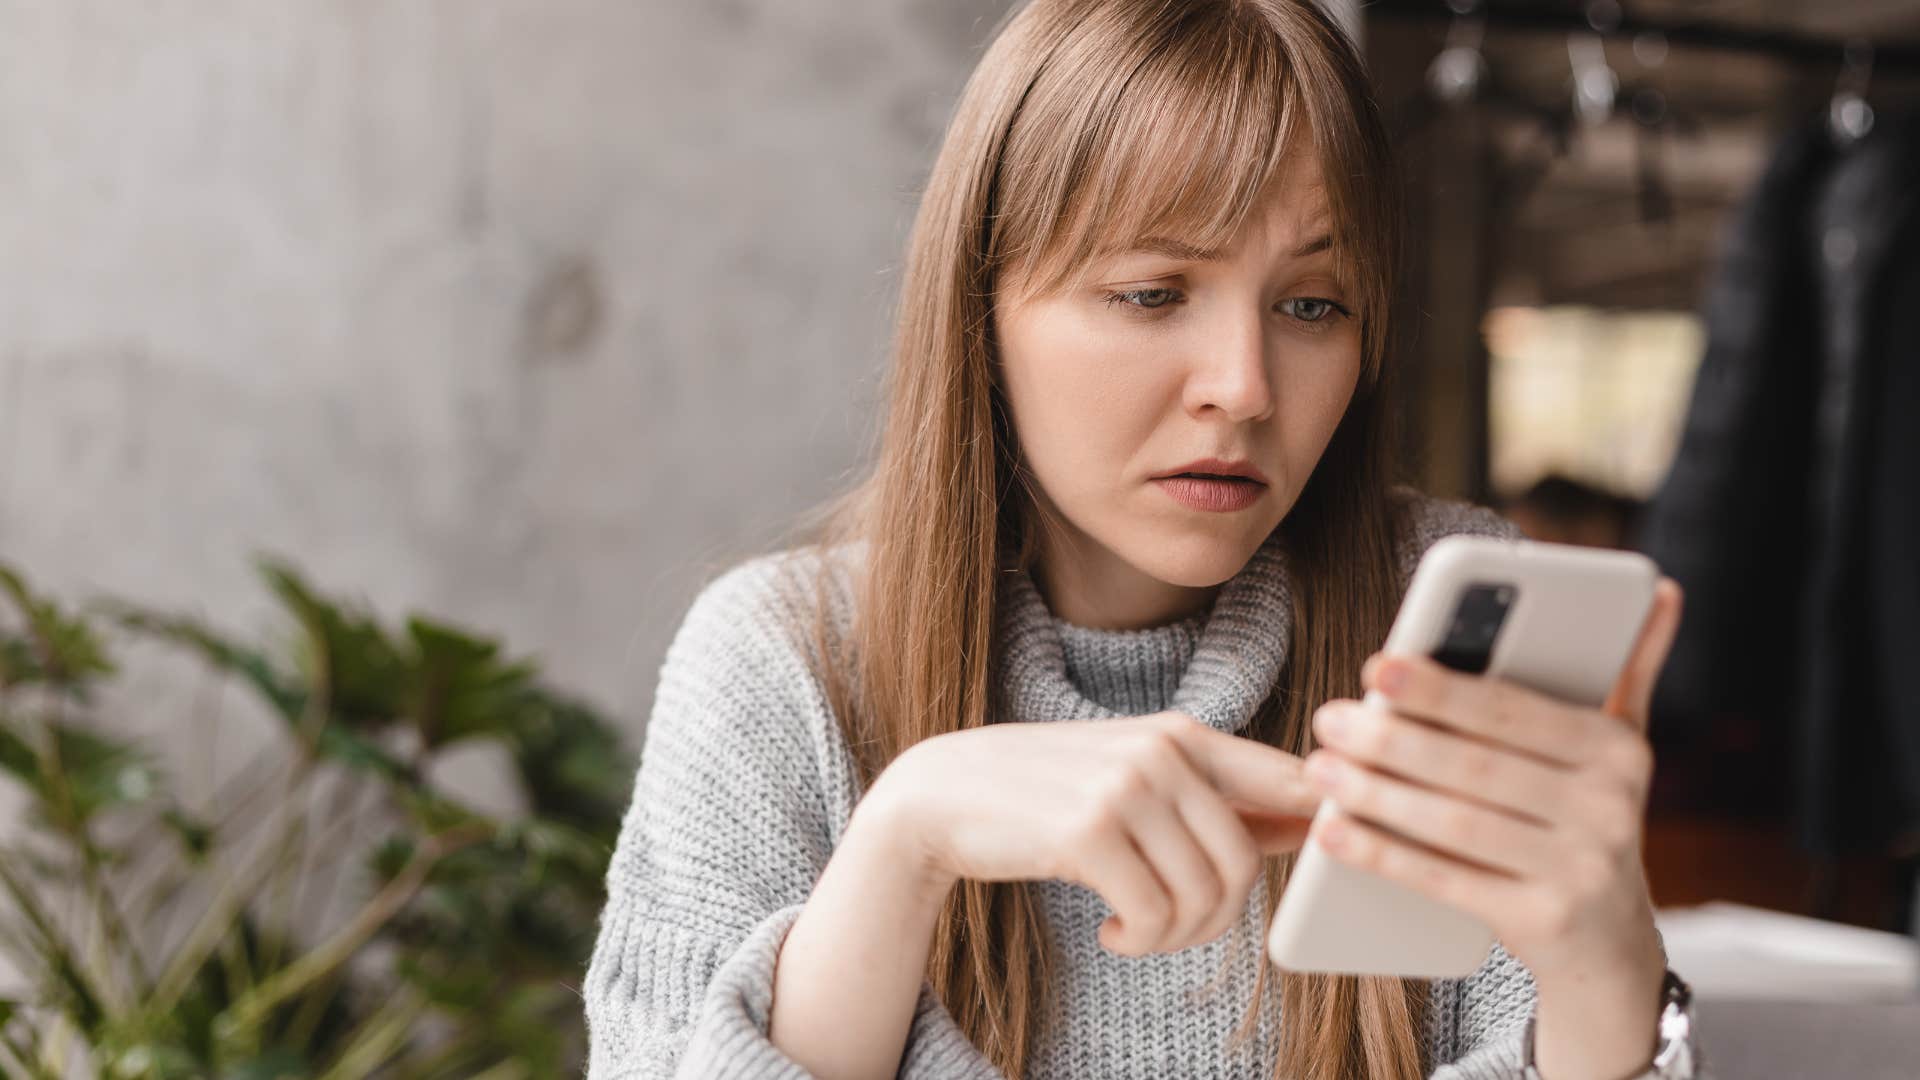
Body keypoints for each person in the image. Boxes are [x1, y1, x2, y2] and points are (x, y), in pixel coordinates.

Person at [584, 1, 1696, 1077]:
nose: (1244, 388)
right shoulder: (785, 660)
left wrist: (1608, 971)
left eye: (1314, 305)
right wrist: (905, 841)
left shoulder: (1428, 625)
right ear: (981, 308)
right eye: (1155, 291)